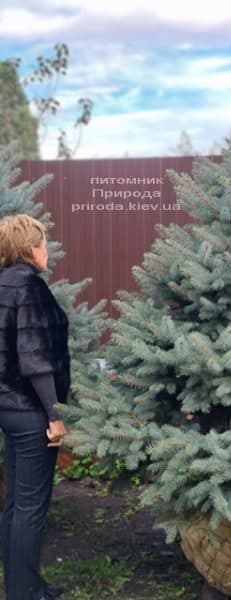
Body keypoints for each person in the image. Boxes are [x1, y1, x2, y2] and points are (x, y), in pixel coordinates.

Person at [0, 214, 71, 600]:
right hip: (29, 411)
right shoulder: (31, 288)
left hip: (5, 407)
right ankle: (23, 594)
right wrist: (54, 415)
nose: (47, 251)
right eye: (43, 244)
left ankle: (24, 585)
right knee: (30, 507)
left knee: (14, 504)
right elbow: (34, 357)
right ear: (30, 249)